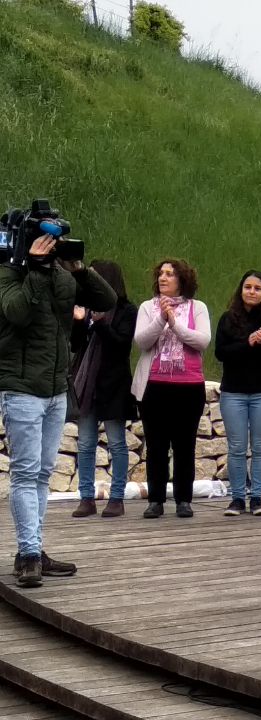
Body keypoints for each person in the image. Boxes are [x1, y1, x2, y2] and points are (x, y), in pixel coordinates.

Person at [2, 235, 115, 588]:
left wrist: (79, 268)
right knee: (25, 472)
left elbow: (106, 300)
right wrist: (34, 269)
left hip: (55, 389)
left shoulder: (63, 277)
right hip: (21, 388)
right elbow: (17, 313)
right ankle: (30, 554)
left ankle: (31, 551)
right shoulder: (6, 275)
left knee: (43, 473)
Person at [133, 259, 211, 520]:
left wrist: (175, 324)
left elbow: (202, 341)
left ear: (182, 280)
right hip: (154, 385)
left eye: (170, 274)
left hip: (188, 386)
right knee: (156, 445)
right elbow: (141, 341)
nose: (163, 278)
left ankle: (183, 500)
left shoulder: (197, 307)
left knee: (184, 445)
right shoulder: (147, 307)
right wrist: (161, 319)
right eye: (161, 274)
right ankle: (155, 500)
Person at [69, 260, 137, 519]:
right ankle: (86, 497)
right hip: (87, 386)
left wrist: (100, 324)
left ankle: (116, 498)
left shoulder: (127, 310)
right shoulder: (84, 307)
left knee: (117, 443)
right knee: (85, 443)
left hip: (114, 385)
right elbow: (76, 346)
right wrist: (78, 323)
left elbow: (121, 346)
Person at [215, 270, 261, 517]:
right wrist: (248, 342)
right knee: (236, 446)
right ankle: (236, 498)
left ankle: (257, 497)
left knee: (260, 446)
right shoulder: (227, 319)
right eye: (248, 287)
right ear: (240, 290)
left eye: (257, 288)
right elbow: (221, 353)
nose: (252, 292)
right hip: (234, 391)